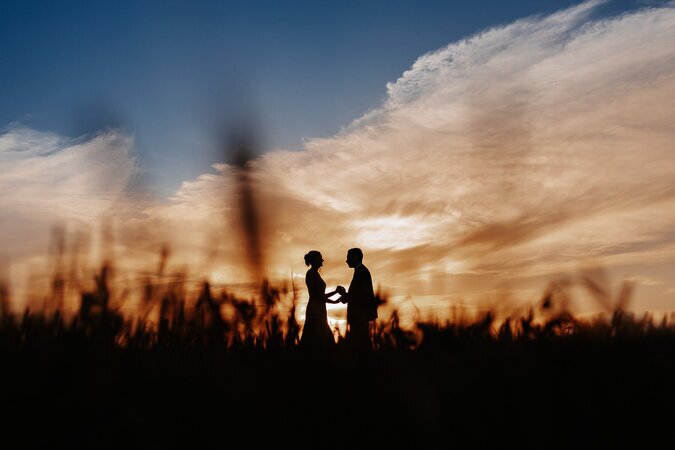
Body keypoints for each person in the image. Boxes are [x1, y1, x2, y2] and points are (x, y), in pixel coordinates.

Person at [300, 250, 342, 351]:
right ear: (315, 260)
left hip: (319, 308)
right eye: (320, 258)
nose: (322, 260)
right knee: (318, 334)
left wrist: (335, 295)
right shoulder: (311, 274)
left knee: (320, 334)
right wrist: (335, 297)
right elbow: (318, 296)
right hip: (315, 309)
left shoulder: (314, 274)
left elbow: (320, 296)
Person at [336, 248, 377, 350]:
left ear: (355, 257)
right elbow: (357, 294)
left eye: (348, 258)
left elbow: (360, 296)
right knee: (361, 341)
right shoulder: (360, 271)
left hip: (360, 314)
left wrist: (346, 296)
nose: (347, 261)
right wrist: (346, 295)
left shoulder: (362, 272)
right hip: (359, 314)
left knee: (362, 342)